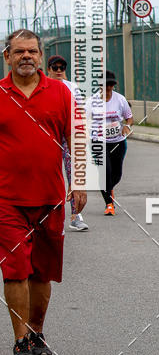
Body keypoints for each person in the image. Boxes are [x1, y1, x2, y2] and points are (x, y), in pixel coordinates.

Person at [0, 30, 87, 355]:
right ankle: (20, 341)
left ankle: (36, 334)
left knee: (42, 272)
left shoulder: (60, 94)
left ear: (40, 55)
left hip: (50, 197)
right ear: (7, 56)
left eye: (32, 52)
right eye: (19, 51)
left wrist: (79, 183)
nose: (27, 57)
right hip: (7, 199)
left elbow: (76, 138)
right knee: (15, 270)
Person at [46, 54, 88, 232]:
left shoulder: (72, 87)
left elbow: (80, 111)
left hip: (69, 133)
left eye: (61, 68)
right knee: (50, 173)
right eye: (54, 68)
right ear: (48, 69)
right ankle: (51, 217)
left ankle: (75, 215)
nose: (58, 71)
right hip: (50, 133)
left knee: (73, 172)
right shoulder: (43, 87)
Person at [88, 71, 133, 216]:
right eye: (105, 84)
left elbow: (129, 117)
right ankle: (109, 204)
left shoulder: (120, 100)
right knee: (104, 171)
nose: (108, 87)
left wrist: (127, 126)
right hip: (98, 142)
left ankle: (108, 188)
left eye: (111, 84)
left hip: (117, 141)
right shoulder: (91, 102)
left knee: (117, 174)